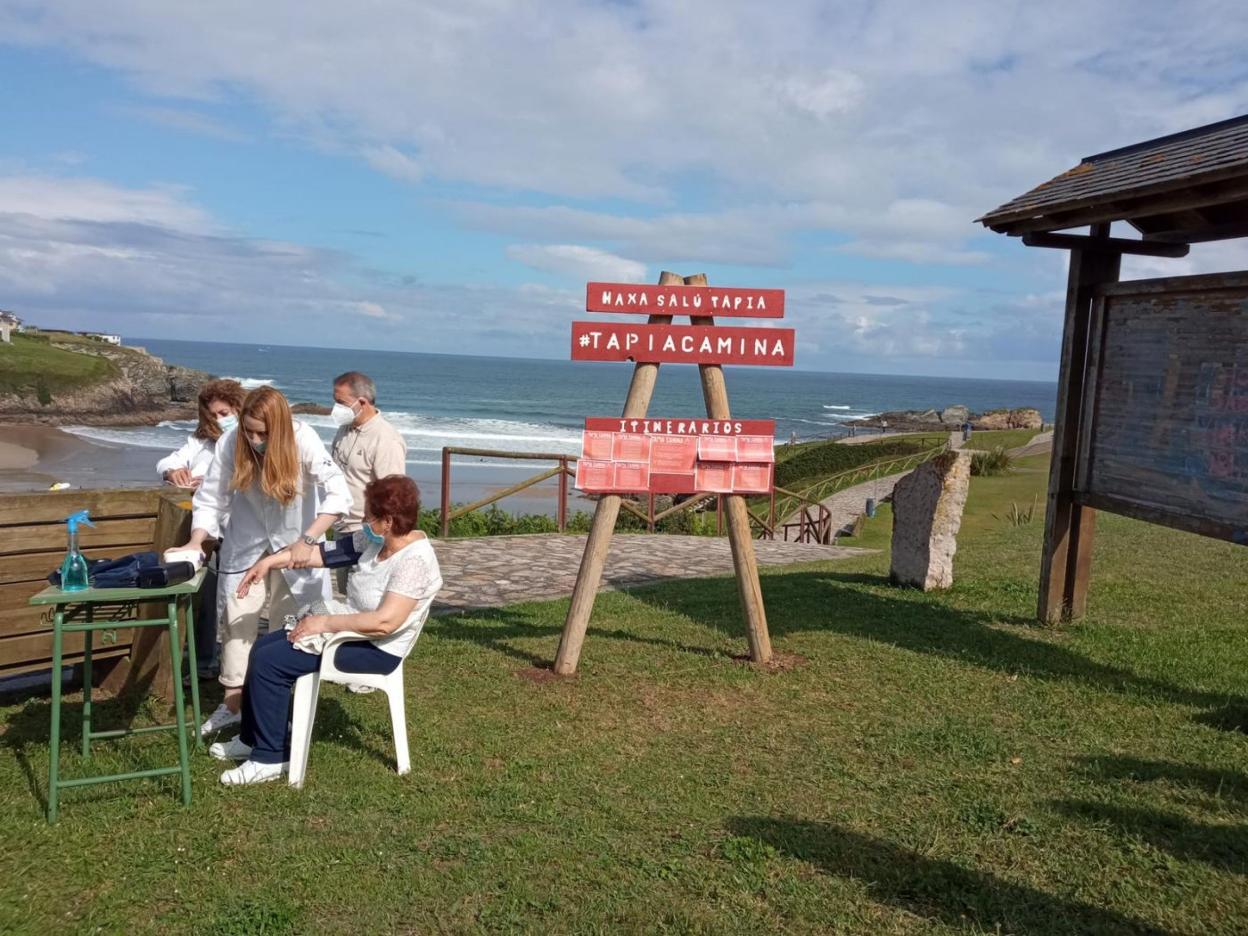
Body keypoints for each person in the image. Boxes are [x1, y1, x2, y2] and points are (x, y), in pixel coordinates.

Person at [210, 474, 442, 785]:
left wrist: (323, 623)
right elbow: (322, 553)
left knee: (272, 662)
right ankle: (253, 737)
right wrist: (270, 562)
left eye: (368, 517)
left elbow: (386, 622)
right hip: (353, 632)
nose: (362, 522)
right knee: (264, 648)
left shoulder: (413, 562)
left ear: (387, 521)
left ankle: (270, 757)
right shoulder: (376, 542)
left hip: (375, 650)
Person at [174, 385, 351, 737]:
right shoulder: (231, 443)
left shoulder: (304, 440)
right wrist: (197, 540)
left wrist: (309, 539)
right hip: (246, 547)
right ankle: (233, 704)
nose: (255, 439)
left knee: (288, 628)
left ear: (280, 428)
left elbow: (338, 492)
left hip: (295, 550)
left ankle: (279, 707)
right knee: (237, 621)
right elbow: (210, 500)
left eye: (262, 433)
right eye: (249, 431)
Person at [156, 379, 246, 679]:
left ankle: (234, 664)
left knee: (233, 598)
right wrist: (173, 472)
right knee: (206, 596)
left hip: (237, 528)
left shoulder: (248, 439)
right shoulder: (201, 441)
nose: (220, 419)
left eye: (224, 412)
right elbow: (168, 461)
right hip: (205, 528)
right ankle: (205, 660)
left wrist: (205, 480)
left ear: (237, 407)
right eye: (214, 414)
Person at [328, 372, 407, 693]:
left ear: (361, 402)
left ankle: (369, 670)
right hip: (342, 527)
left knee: (369, 601)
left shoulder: (385, 438)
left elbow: (394, 494)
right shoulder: (345, 431)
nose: (335, 408)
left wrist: (380, 537)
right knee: (350, 595)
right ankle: (351, 658)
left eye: (340, 402)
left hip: (368, 534)